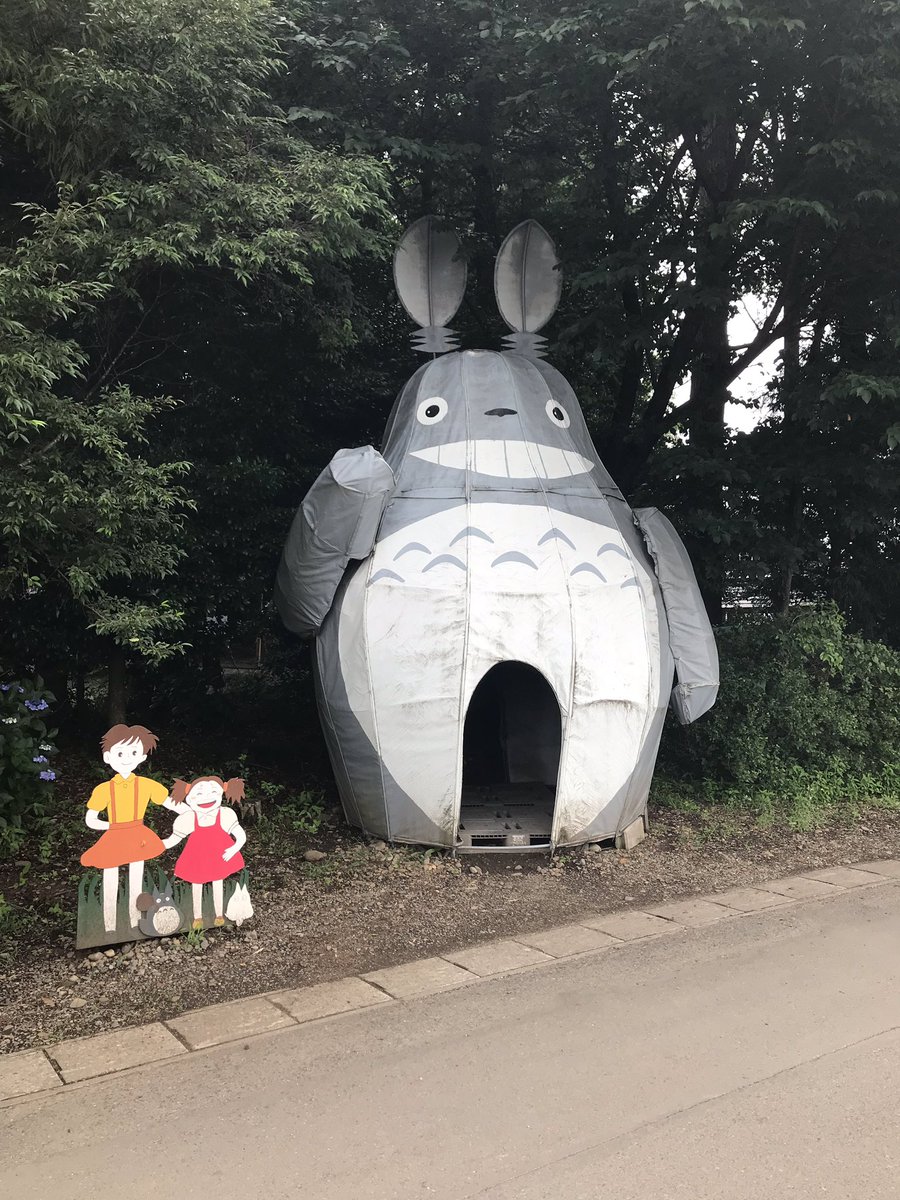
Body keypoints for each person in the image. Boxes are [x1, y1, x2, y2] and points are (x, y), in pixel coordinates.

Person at [81, 724, 184, 932]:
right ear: (108, 757)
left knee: (136, 879)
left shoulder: (146, 785)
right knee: (110, 879)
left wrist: (194, 813)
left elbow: (171, 803)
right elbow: (90, 819)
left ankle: (135, 922)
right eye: (120, 752)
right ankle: (108, 927)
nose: (127, 758)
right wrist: (111, 826)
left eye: (134, 752)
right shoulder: (104, 789)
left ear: (142, 757)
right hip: (114, 836)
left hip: (138, 835)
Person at [162, 776, 248, 928]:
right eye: (199, 794)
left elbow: (241, 836)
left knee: (217, 881)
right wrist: (155, 846)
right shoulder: (188, 818)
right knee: (197, 883)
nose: (206, 798)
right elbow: (173, 840)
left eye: (213, 792)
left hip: (219, 856)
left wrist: (233, 849)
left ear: (222, 793)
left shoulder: (225, 815)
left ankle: (219, 915)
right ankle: (197, 917)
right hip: (197, 857)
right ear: (189, 799)